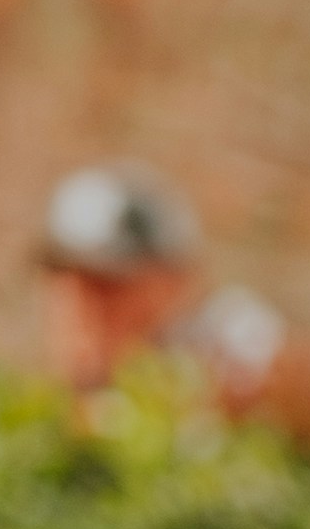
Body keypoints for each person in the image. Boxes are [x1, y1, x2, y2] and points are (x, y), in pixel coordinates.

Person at [39, 162, 282, 401]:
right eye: (71, 285)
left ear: (174, 281)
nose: (84, 307)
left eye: (108, 285)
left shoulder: (230, 337)